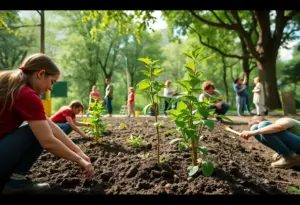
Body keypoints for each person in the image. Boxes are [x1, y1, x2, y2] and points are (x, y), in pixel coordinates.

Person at [0, 53, 93, 194]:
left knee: (40, 128)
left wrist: (79, 152)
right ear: (41, 74)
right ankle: (16, 183)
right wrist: (79, 161)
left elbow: (50, 125)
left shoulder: (12, 83)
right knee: (34, 132)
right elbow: (48, 141)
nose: (51, 88)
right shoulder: (27, 94)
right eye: (52, 82)